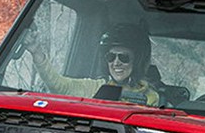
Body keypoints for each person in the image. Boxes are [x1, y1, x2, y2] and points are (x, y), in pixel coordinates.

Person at [25, 23, 161, 106]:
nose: (116, 62)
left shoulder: (150, 97)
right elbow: (58, 85)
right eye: (111, 57)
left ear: (137, 61)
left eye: (124, 57)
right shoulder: (96, 87)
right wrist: (37, 52)